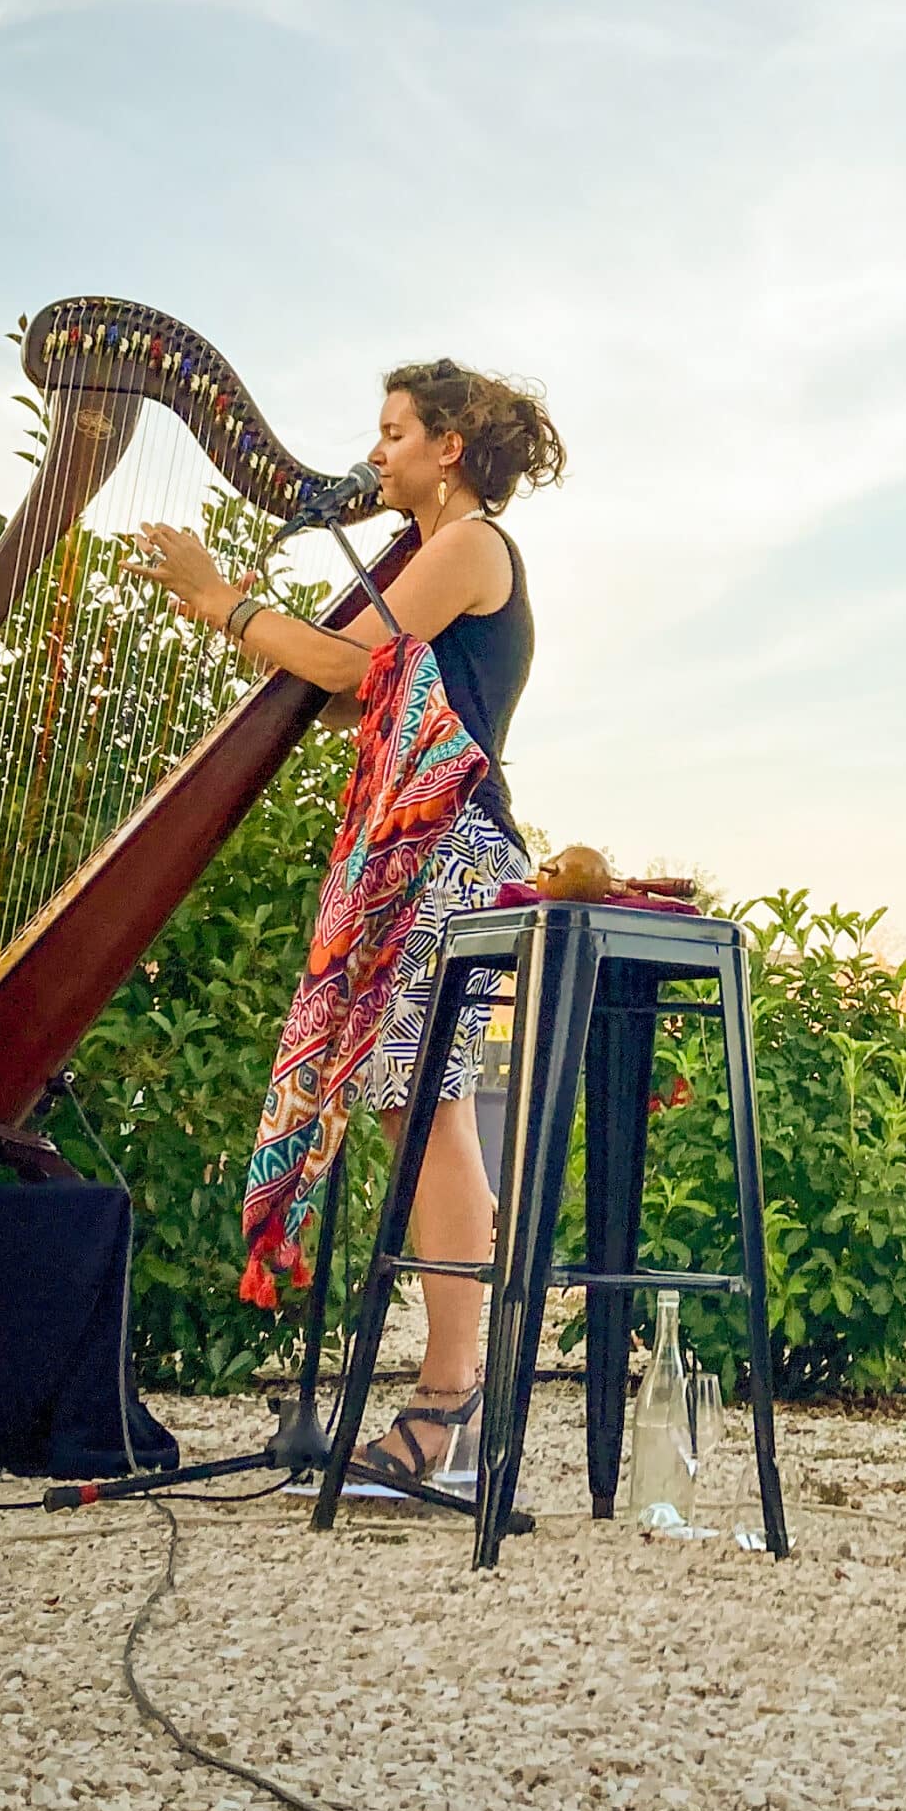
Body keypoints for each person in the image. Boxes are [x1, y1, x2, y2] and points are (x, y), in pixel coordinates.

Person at [128, 358, 563, 1486]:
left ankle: (451, 1404)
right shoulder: (422, 559)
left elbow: (348, 664)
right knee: (412, 1106)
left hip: (452, 846)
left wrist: (223, 595)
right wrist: (275, 639)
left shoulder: (467, 546)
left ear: (450, 446)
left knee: (427, 1105)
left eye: (392, 430)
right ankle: (453, 1393)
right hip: (418, 849)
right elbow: (338, 696)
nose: (375, 453)